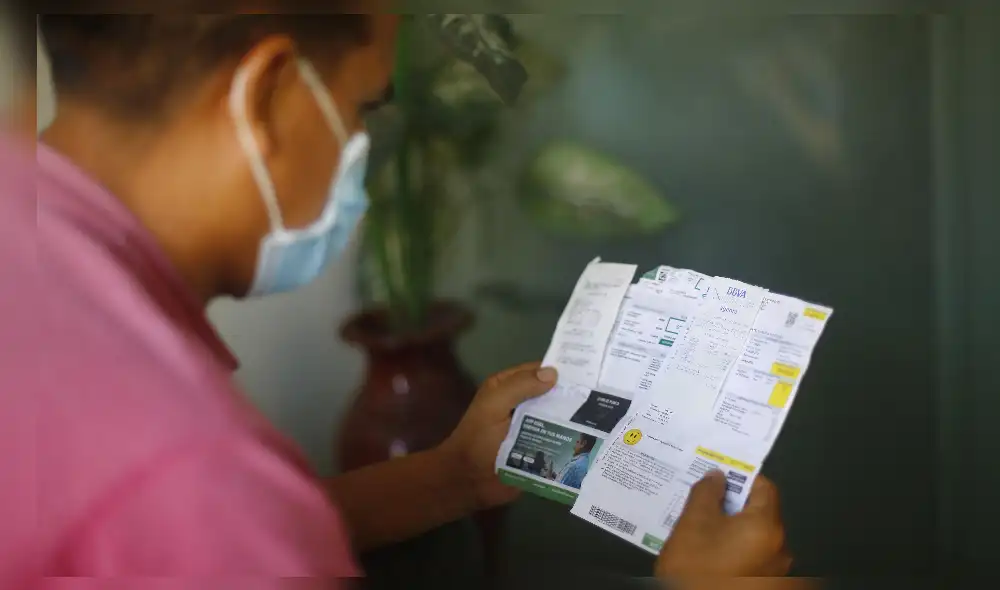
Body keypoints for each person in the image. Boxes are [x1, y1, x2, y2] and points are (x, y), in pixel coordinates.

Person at [0, 8, 791, 586]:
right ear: (266, 94)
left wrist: (451, 478)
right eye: (362, 109)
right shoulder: (188, 458)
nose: (360, 152)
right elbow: (208, 518)